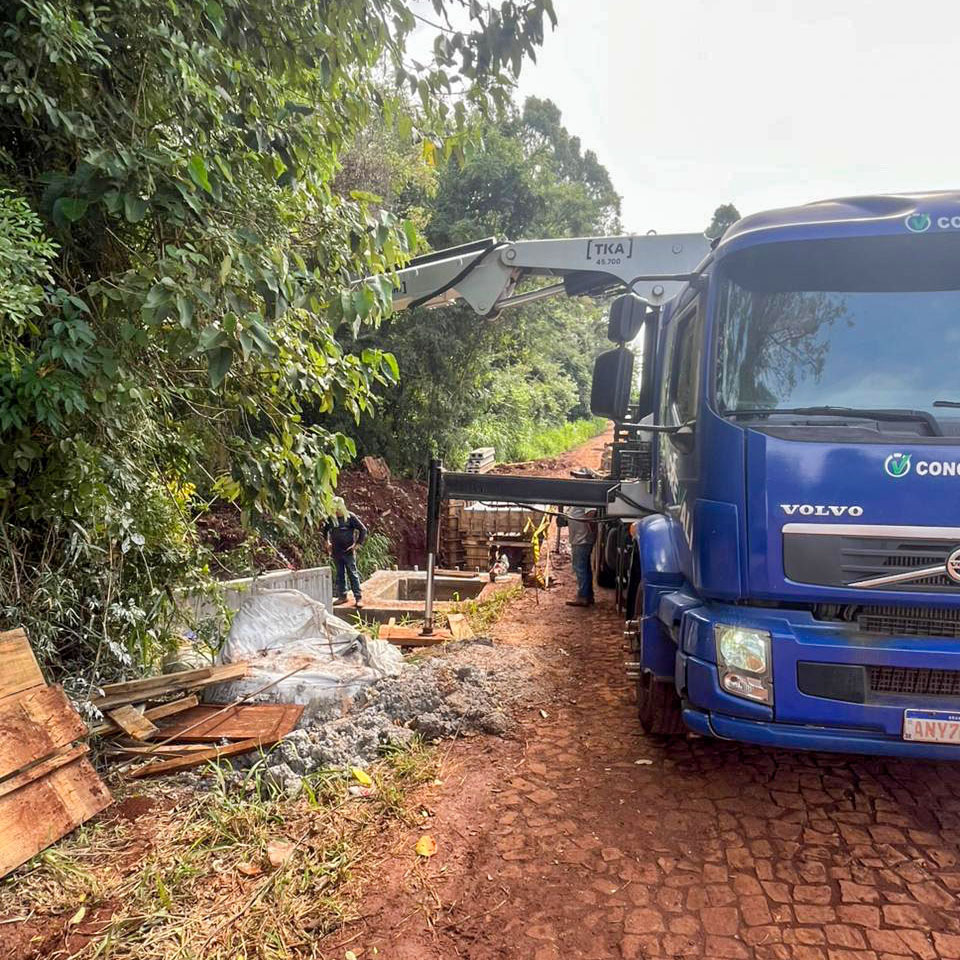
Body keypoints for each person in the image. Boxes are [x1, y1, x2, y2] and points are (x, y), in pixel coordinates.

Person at [324, 497, 368, 607]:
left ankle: (358, 598)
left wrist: (357, 544)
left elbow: (363, 530)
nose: (336, 511)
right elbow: (325, 530)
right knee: (339, 574)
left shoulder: (350, 517)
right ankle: (342, 596)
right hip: (336, 551)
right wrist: (327, 542)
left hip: (348, 551)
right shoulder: (331, 518)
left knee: (352, 574)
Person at [564, 504, 597, 607]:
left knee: (580, 568)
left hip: (582, 539)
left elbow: (591, 514)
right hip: (579, 538)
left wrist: (590, 533)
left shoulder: (586, 496)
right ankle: (588, 595)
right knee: (585, 567)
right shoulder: (578, 498)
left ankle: (583, 596)